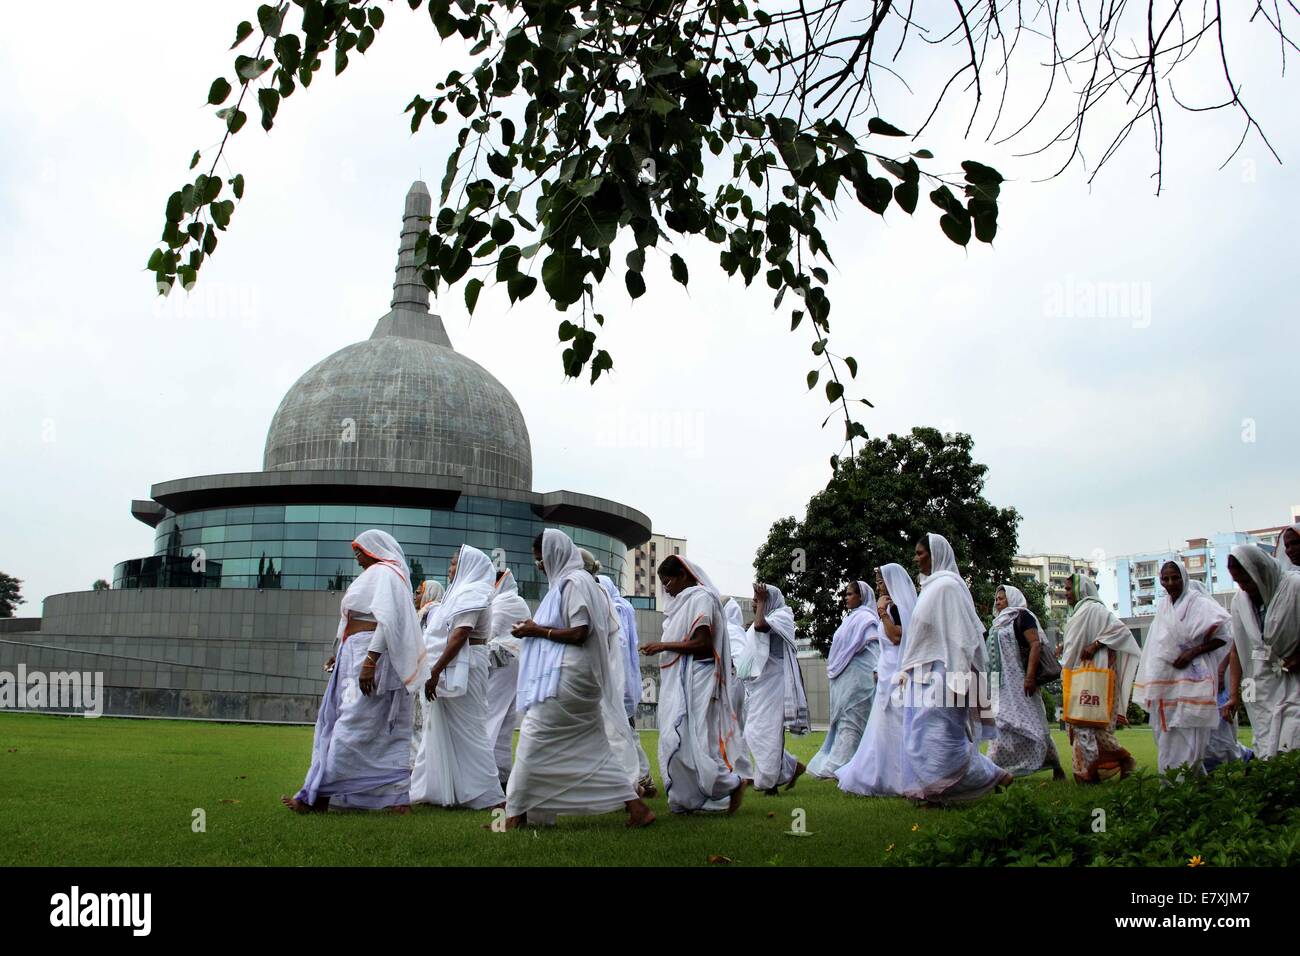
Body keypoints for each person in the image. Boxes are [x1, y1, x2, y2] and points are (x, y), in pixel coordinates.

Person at [504, 530, 654, 828]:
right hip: (577, 677)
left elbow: (579, 631)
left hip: (569, 677)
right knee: (596, 747)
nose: (541, 567)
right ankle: (637, 809)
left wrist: (536, 630)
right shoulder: (576, 582)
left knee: (532, 739)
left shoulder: (574, 583)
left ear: (554, 555)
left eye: (541, 561)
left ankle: (513, 818)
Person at [283, 530, 427, 813]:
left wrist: (370, 661)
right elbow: (348, 619)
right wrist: (337, 654)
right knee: (352, 723)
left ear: (373, 550)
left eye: (360, 552)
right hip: (354, 653)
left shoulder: (388, 574)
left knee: (357, 726)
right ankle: (394, 800)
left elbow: (387, 621)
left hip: (372, 656)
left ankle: (322, 795)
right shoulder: (371, 576)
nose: (357, 559)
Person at [895, 534, 1010, 804]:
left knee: (939, 740)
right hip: (925, 676)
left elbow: (963, 637)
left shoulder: (947, 587)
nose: (916, 558)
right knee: (920, 739)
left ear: (936, 555)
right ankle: (980, 779)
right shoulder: (931, 587)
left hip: (946, 676)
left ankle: (973, 782)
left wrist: (959, 680)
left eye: (921, 553)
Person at [642, 555, 749, 814]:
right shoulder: (684, 603)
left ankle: (732, 785)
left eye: (668, 582)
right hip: (685, 679)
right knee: (679, 739)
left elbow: (702, 642)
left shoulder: (701, 598)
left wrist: (662, 646)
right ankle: (685, 799)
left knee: (699, 740)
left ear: (684, 575)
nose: (666, 589)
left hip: (700, 677)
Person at [410, 544, 505, 809]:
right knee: (438, 730)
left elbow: (460, 634)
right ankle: (436, 790)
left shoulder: (474, 592)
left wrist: (436, 670)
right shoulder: (460, 593)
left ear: (468, 565)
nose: (450, 569)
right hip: (453, 665)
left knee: (470, 730)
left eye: (454, 564)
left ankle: (489, 796)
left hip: (468, 665)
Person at [1134, 560, 1231, 779]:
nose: (1170, 583)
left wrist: (1193, 652)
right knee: (1167, 729)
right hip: (1166, 679)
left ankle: (1187, 780)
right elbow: (1155, 644)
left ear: (1184, 578)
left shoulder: (1199, 603)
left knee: (1191, 728)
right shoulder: (1163, 606)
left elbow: (1223, 637)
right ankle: (1172, 780)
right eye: (1165, 578)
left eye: (1175, 577)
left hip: (1194, 675)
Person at [837, 563, 917, 796]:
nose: (879, 586)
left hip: (897, 673)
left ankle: (899, 776)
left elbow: (895, 637)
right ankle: (882, 773)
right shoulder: (890, 608)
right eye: (878, 582)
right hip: (885, 672)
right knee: (883, 727)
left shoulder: (896, 609)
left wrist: (882, 613)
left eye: (881, 581)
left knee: (896, 723)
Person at [1061, 572, 1140, 783]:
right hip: (1079, 675)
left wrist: (1095, 645)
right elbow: (1073, 645)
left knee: (1087, 724)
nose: (1066, 593)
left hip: (1095, 677)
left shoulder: (1094, 609)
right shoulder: (1076, 613)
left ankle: (1091, 771)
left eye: (1069, 589)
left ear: (1081, 589)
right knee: (1085, 725)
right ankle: (1110, 765)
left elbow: (1121, 632)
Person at [985, 584, 1065, 779]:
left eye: (1002, 598)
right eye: (996, 598)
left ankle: (1054, 764)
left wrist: (1029, 677)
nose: (997, 601)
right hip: (1000, 685)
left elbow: (1035, 644)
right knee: (1001, 721)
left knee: (1033, 722)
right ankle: (995, 771)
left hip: (1021, 682)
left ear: (1012, 598)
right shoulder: (997, 623)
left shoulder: (1022, 616)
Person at [1227, 545, 1300, 756]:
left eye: (1247, 580)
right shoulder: (1239, 601)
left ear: (1260, 570)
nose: (1244, 587)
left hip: (1293, 681)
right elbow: (1236, 649)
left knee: (1293, 740)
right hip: (1259, 683)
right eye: (1238, 582)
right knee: (1266, 745)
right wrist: (1234, 695)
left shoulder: (1294, 588)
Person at [739, 582, 809, 793]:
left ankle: (771, 784)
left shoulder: (783, 616)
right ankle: (792, 767)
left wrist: (761, 603)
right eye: (753, 599)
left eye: (758, 599)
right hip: (762, 683)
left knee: (770, 731)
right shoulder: (766, 618)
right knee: (753, 732)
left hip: (777, 682)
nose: (754, 603)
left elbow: (760, 626)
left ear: (770, 600)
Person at [807, 580, 880, 778]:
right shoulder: (851, 618)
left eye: (849, 594)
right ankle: (842, 767)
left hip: (859, 679)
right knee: (844, 723)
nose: (846, 598)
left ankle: (843, 768)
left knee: (854, 722)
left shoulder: (866, 618)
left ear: (861, 596)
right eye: (846, 594)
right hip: (845, 678)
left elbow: (873, 650)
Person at [596, 573, 657, 797]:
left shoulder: (615, 609)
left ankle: (638, 781)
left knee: (623, 733)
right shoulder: (624, 607)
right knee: (627, 732)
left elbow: (618, 647)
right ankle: (641, 779)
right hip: (625, 684)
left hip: (617, 684)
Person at [485, 568, 530, 788]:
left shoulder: (503, 601)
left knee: (492, 716)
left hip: (503, 665)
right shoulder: (519, 601)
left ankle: (486, 774)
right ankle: (502, 774)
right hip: (515, 665)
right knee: (505, 721)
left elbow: (490, 632)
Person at [722, 597, 749, 731]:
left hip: (730, 679)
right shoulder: (740, 631)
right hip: (741, 681)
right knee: (738, 720)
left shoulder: (727, 630)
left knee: (728, 720)